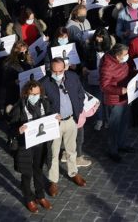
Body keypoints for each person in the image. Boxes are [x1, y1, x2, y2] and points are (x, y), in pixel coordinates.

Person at [41, 58, 87, 190]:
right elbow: (42, 105)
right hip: (55, 124)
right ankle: (53, 180)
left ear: (65, 68)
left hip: (71, 120)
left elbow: (80, 93)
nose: (57, 74)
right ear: (50, 69)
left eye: (60, 71)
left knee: (71, 149)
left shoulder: (72, 77)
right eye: (54, 71)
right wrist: (51, 115)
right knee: (54, 153)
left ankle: (73, 172)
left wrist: (78, 108)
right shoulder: (44, 83)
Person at [12, 80, 53, 213]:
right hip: (25, 146)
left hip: (40, 145)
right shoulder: (19, 107)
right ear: (26, 94)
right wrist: (18, 130)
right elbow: (11, 127)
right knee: (27, 173)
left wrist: (55, 120)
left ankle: (40, 196)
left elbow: (49, 119)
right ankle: (29, 198)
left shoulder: (45, 104)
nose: (35, 96)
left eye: (37, 93)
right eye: (32, 94)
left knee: (38, 171)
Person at [98, 45, 134, 163]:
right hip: (114, 100)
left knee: (124, 123)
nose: (127, 56)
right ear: (117, 55)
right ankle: (113, 150)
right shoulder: (107, 66)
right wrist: (119, 90)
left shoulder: (121, 62)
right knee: (114, 126)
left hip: (125, 97)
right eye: (125, 54)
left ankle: (122, 144)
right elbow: (104, 86)